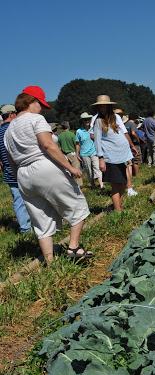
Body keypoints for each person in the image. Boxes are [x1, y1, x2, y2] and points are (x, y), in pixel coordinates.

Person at [4, 86, 91, 263]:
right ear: (31, 102)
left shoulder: (9, 130)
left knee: (40, 220)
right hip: (44, 166)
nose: (42, 108)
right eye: (40, 104)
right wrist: (70, 167)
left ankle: (50, 262)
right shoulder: (36, 119)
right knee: (78, 206)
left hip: (23, 174)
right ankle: (74, 248)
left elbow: (11, 160)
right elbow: (47, 145)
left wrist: (20, 179)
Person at [93, 95, 133, 211]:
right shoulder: (98, 121)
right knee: (115, 185)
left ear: (110, 106)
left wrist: (130, 146)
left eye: (105, 105)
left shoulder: (116, 117)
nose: (102, 108)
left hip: (122, 155)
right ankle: (118, 211)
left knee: (122, 183)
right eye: (100, 106)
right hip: (110, 156)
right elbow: (97, 141)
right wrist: (101, 158)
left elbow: (123, 133)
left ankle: (118, 205)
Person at [0, 104, 31, 233]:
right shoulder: (13, 129)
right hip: (20, 167)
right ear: (12, 114)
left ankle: (25, 227)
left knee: (18, 199)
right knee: (32, 196)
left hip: (8, 170)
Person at [112, 109, 138, 196]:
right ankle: (128, 188)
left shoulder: (115, 123)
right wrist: (132, 146)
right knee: (126, 167)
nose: (120, 116)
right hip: (121, 149)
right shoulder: (118, 123)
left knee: (126, 167)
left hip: (120, 149)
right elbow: (126, 134)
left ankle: (126, 187)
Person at [76, 112, 103, 188]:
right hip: (84, 154)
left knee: (97, 168)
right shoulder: (79, 131)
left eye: (88, 119)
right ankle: (93, 185)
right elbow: (77, 144)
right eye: (85, 120)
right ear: (82, 121)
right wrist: (77, 154)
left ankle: (101, 185)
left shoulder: (94, 128)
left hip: (94, 152)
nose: (87, 121)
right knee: (89, 171)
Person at [58, 121, 83, 187]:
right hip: (73, 154)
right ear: (68, 126)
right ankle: (79, 186)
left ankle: (71, 185)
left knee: (68, 171)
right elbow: (76, 144)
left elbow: (59, 147)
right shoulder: (72, 134)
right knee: (76, 169)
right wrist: (78, 154)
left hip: (65, 155)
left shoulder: (60, 136)